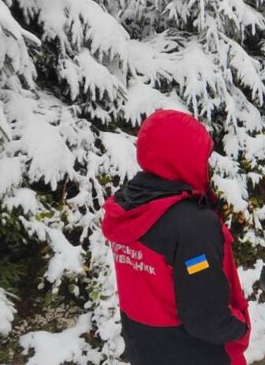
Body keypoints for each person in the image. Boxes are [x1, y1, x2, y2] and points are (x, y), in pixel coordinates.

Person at [101, 110, 250, 365]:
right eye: (203, 157)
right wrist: (241, 325)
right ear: (184, 157)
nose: (207, 165)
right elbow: (207, 318)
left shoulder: (129, 208)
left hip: (145, 349)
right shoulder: (191, 225)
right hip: (195, 354)